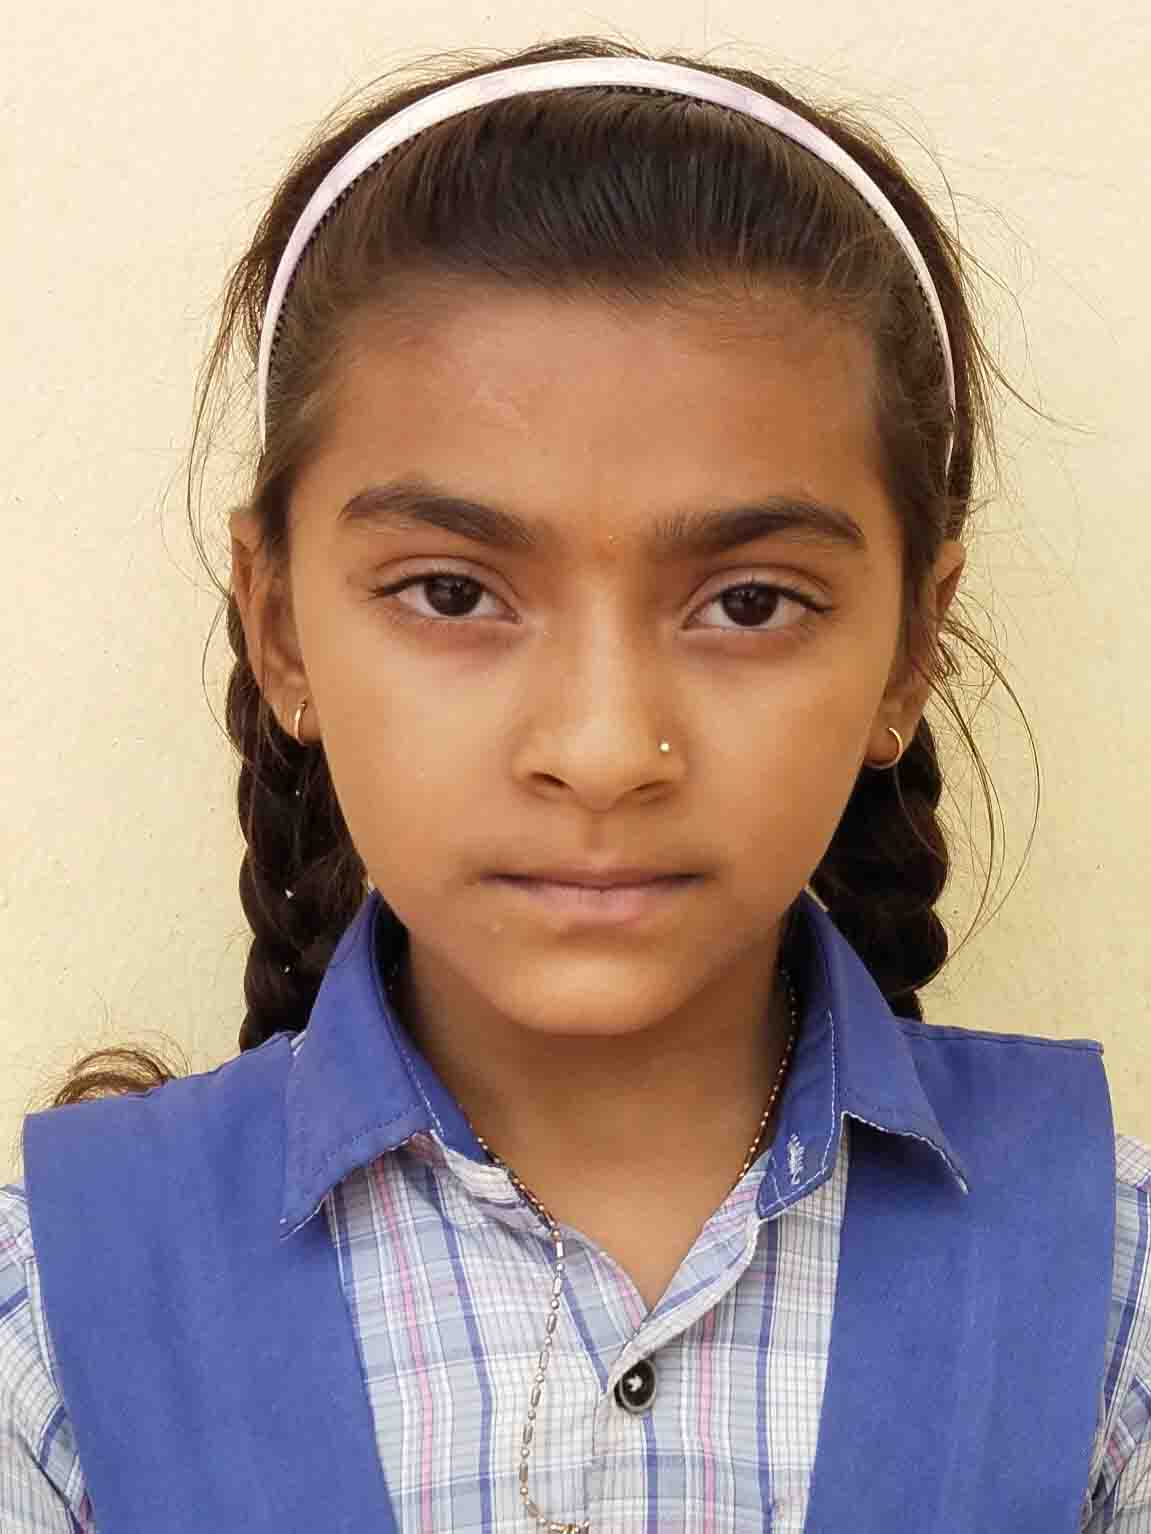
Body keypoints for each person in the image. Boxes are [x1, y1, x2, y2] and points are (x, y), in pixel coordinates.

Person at [1, 33, 1148, 1534]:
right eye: (453, 593)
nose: (604, 749)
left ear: (905, 653)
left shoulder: (1113, 1297)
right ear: (278, 624)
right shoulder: (52, 1326)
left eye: (748, 602)